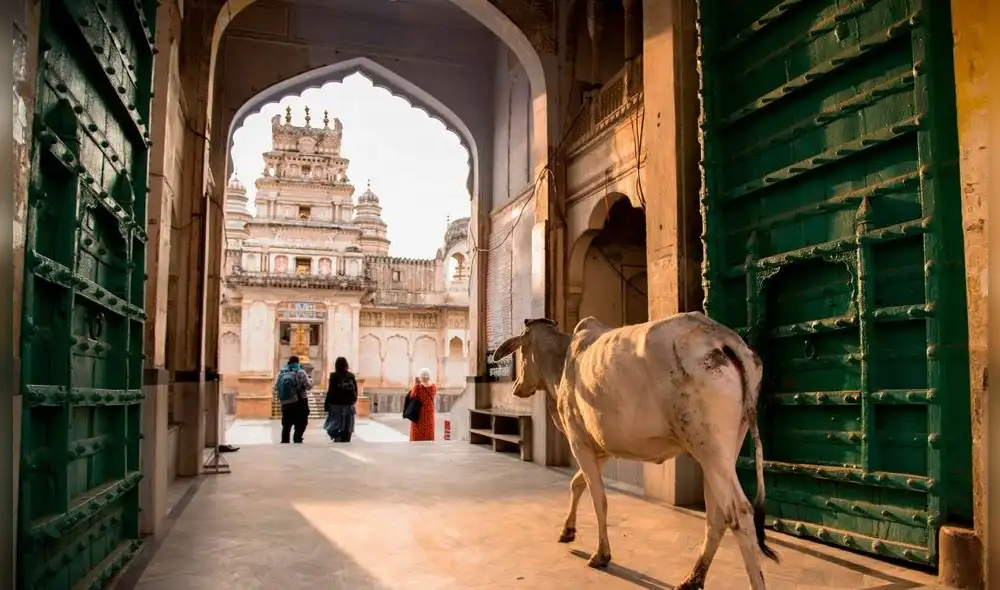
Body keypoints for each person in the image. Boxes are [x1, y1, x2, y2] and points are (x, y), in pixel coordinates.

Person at [274, 355, 313, 444]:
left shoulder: (282, 372)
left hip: (286, 402)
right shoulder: (301, 372)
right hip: (300, 401)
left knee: (286, 424)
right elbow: (308, 386)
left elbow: (276, 387)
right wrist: (311, 381)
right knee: (301, 422)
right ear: (298, 362)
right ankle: (297, 438)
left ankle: (285, 441)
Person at [324, 357, 358, 442]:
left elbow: (330, 391)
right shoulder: (351, 376)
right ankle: (346, 440)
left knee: (332, 426)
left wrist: (327, 404)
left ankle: (337, 438)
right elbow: (356, 391)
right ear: (346, 365)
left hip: (336, 406)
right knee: (347, 427)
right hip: (349, 406)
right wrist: (353, 401)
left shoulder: (334, 376)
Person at [407, 368, 437, 442]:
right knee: (429, 428)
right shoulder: (433, 387)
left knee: (418, 430)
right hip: (429, 412)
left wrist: (416, 384)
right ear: (429, 377)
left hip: (419, 413)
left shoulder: (418, 387)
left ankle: (417, 441)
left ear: (420, 377)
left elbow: (411, 396)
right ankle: (428, 440)